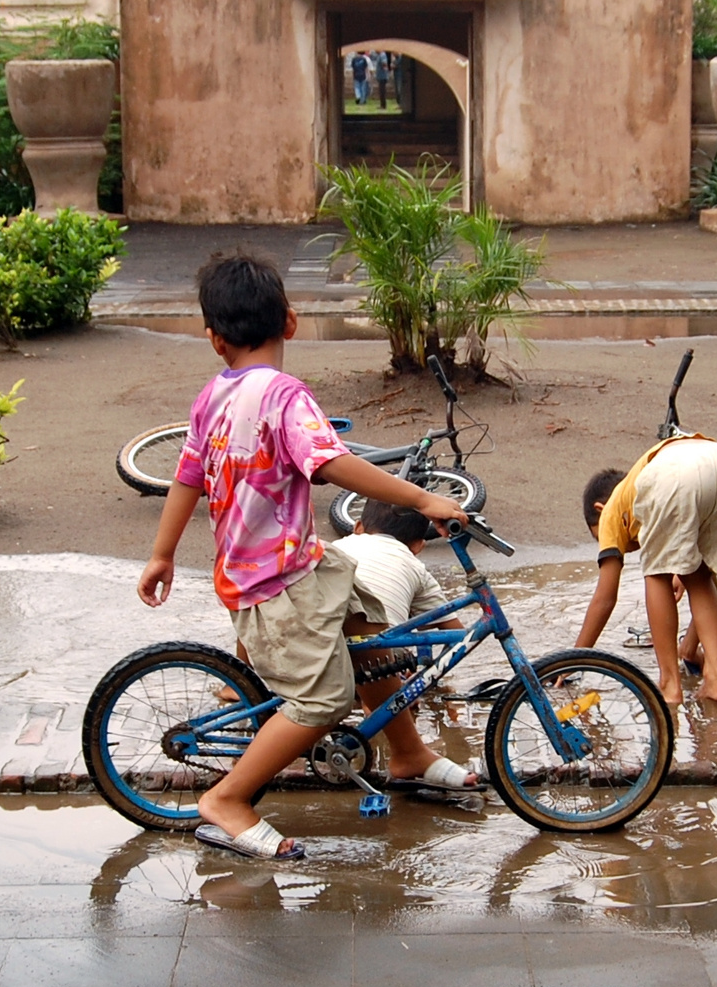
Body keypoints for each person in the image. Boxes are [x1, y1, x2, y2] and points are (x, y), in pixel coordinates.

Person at [138, 251, 466, 861]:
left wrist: (162, 554)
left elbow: (185, 476)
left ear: (215, 340)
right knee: (324, 698)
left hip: (299, 566)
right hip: (275, 583)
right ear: (289, 322)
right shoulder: (285, 395)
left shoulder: (212, 395)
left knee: (368, 631)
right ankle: (228, 799)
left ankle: (409, 752)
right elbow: (333, 463)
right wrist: (426, 497)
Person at [572, 434, 717, 706]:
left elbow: (605, 598)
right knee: (701, 575)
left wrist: (572, 662)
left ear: (601, 508)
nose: (628, 549)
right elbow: (701, 586)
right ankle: (716, 677)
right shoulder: (640, 481)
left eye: (600, 538)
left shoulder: (611, 511)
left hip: (677, 475)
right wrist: (689, 649)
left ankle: (669, 685)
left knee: (656, 574)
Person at [332, 500, 480, 793]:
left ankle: (234, 688)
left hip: (318, 647)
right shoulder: (413, 564)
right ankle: (383, 707)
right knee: (395, 652)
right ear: (419, 545)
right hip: (374, 658)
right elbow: (456, 633)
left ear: (358, 528)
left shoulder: (338, 548)